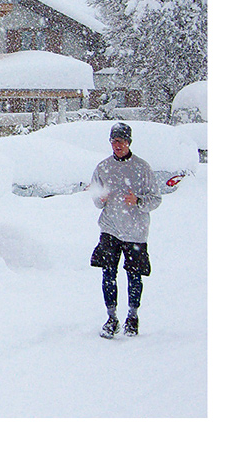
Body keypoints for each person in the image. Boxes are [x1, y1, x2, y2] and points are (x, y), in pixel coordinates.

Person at [90, 122, 162, 338]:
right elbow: (96, 199)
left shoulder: (142, 168)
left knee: (134, 275)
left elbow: (156, 199)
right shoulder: (103, 167)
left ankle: (132, 316)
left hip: (135, 231)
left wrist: (138, 200)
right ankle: (111, 318)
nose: (117, 145)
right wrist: (100, 198)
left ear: (129, 142)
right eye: (114, 141)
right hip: (110, 229)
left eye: (121, 141)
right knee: (108, 274)